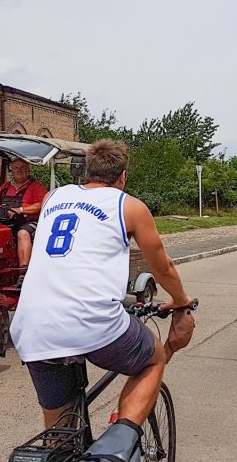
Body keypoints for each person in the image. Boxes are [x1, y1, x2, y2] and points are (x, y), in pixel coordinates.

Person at [10, 139, 196, 428]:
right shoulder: (130, 206)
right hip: (92, 322)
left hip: (32, 324)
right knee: (155, 357)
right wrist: (181, 302)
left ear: (87, 171)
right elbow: (163, 267)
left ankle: (56, 452)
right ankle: (119, 446)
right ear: (123, 176)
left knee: (59, 432)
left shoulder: (53, 197)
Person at [0, 158, 48, 267]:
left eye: (22, 167)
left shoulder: (36, 186)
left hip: (29, 222)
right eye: (16, 168)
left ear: (28, 169)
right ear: (12, 169)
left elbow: (42, 204)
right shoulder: (5, 187)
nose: (19, 170)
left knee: (23, 233)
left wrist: (21, 210)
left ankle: (23, 269)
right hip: (7, 222)